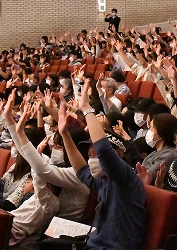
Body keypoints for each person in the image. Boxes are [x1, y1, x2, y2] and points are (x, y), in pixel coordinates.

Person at [58, 83, 146, 250]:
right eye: (90, 156)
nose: (92, 160)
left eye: (95, 155)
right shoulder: (104, 181)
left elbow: (104, 151)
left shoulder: (125, 178)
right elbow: (82, 172)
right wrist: (65, 136)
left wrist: (87, 110)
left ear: (119, 154)